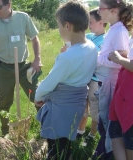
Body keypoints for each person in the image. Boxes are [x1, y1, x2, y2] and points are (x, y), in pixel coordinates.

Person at [35, 1, 97, 159]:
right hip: (77, 103)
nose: (59, 29)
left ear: (67, 26)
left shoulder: (67, 57)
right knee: (67, 139)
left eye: (59, 25)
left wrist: (38, 97)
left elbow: (49, 83)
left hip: (60, 107)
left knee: (55, 144)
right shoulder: (91, 46)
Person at [0, 0, 42, 136]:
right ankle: (5, 132)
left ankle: (45, 127)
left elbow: (34, 39)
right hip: (3, 68)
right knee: (4, 103)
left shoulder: (23, 18)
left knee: (38, 96)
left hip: (24, 67)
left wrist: (37, 59)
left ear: (9, 5)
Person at [93, 0, 133, 159]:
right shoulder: (114, 29)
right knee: (108, 122)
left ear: (114, 10)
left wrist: (96, 58)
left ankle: (106, 154)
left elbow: (120, 61)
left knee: (109, 124)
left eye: (101, 8)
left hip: (113, 82)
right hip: (107, 81)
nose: (98, 12)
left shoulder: (119, 32)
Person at [77, 8, 106, 141]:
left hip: (95, 81)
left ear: (101, 22)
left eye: (91, 22)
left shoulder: (104, 41)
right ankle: (80, 130)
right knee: (83, 106)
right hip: (84, 79)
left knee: (95, 108)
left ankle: (92, 134)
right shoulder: (89, 36)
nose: (88, 25)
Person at [108, 50, 133, 160]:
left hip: (128, 97)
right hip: (124, 94)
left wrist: (119, 59)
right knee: (115, 131)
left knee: (129, 139)